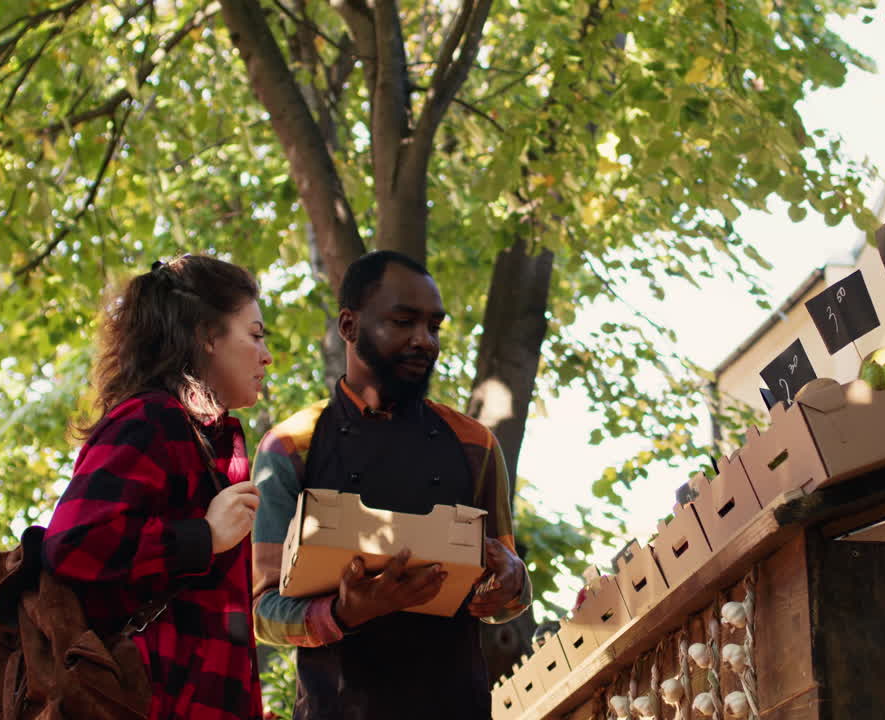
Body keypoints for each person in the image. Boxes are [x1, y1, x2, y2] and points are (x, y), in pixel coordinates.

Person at [251, 250, 532, 719]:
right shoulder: (289, 447)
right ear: (348, 326)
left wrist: (512, 583)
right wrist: (342, 613)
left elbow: (508, 593)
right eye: (403, 322)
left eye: (434, 327)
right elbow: (262, 610)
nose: (424, 341)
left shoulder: (475, 445)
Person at [44, 254, 272, 720]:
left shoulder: (214, 443)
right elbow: (74, 544)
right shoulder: (152, 419)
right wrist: (202, 538)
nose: (266, 355)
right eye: (254, 334)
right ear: (207, 336)